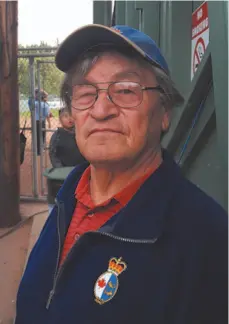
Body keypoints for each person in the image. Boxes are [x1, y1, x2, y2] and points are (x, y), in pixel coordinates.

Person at [15, 25, 227, 324]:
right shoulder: (67, 199)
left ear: (164, 111)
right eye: (86, 93)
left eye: (126, 90)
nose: (101, 110)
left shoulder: (207, 236)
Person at [28, 89, 51, 155]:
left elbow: (29, 103)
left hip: (35, 121)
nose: (47, 98)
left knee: (36, 135)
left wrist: (33, 96)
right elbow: (47, 115)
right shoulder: (45, 105)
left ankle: (36, 150)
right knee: (42, 135)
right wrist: (49, 123)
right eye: (46, 97)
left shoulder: (35, 103)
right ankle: (40, 150)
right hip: (42, 121)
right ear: (43, 97)